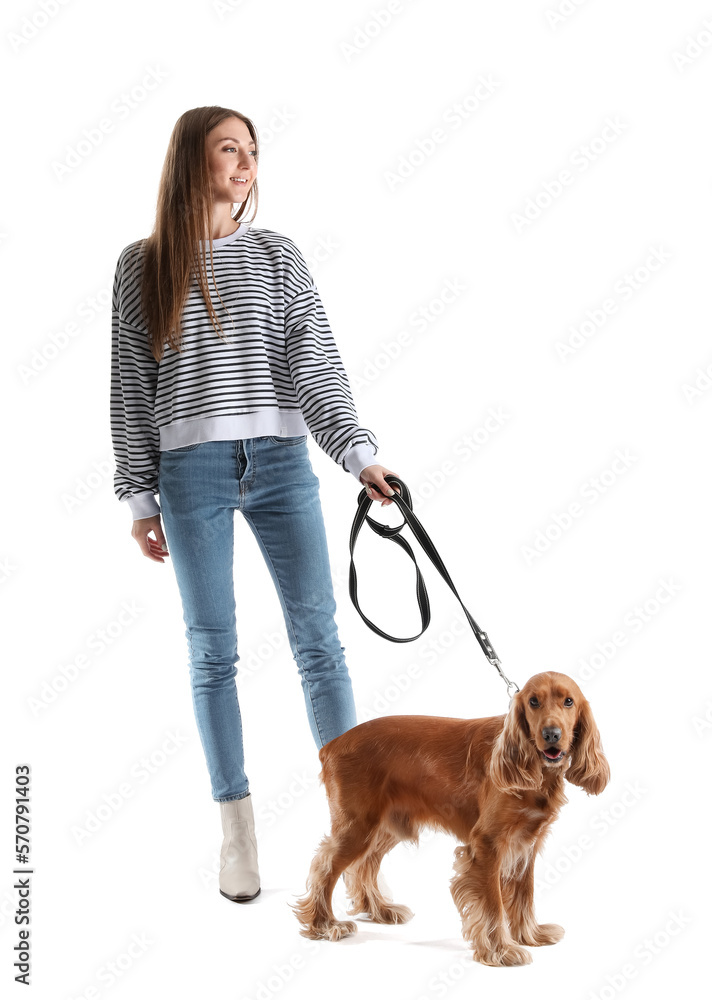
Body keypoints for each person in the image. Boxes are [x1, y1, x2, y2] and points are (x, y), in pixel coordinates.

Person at [110, 106, 399, 904]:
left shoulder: (277, 254)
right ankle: (238, 833)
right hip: (189, 472)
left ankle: (353, 828)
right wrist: (139, 495)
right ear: (191, 163)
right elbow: (131, 391)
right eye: (228, 148)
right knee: (213, 650)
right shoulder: (143, 266)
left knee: (318, 640)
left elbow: (316, 361)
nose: (246, 161)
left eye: (252, 149)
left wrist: (359, 455)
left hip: (279, 459)